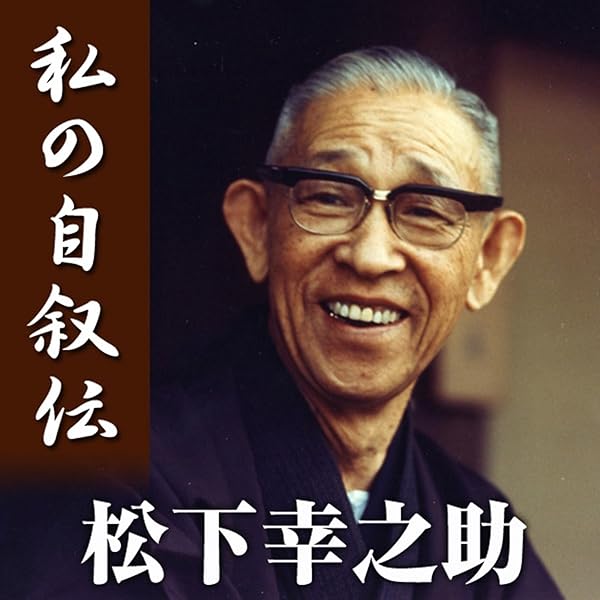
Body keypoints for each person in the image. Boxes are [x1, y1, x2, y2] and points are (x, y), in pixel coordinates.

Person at [2, 46, 563, 599]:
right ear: (256, 228)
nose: (370, 256)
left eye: (425, 211)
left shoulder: (477, 531)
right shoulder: (114, 481)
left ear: (487, 261)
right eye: (329, 198)